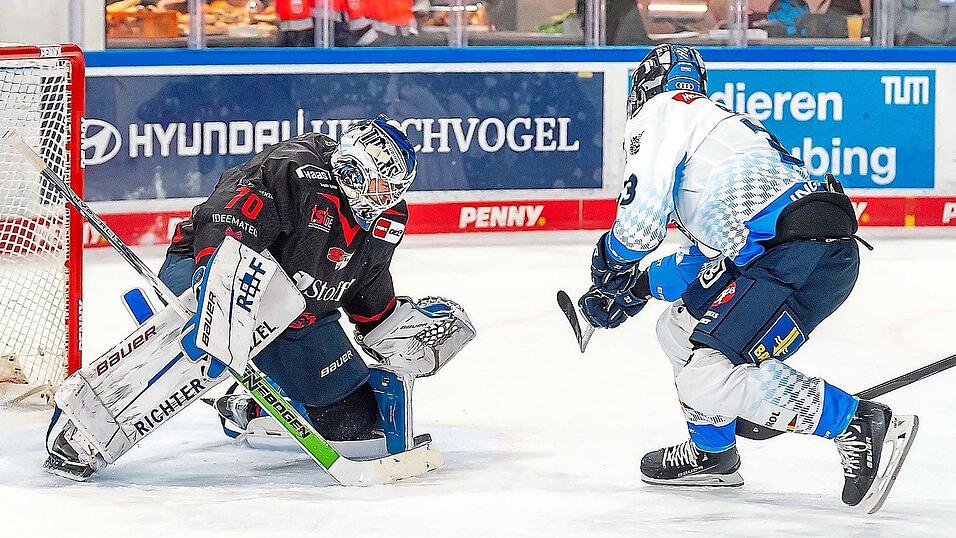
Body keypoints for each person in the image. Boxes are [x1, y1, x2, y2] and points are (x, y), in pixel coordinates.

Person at [577, 44, 918, 513]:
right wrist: (637, 288)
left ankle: (856, 423)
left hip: (792, 257)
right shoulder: (717, 131)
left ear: (646, 87)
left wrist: (610, 264)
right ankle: (713, 454)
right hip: (812, 254)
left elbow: (640, 227)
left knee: (705, 378)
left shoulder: (662, 112)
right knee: (677, 328)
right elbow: (706, 262)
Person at [44, 115, 474, 481]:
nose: (378, 193)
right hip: (211, 270)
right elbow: (228, 218)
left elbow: (365, 279)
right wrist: (219, 298)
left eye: (386, 185)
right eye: (372, 178)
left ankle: (249, 408)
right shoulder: (295, 168)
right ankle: (83, 429)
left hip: (296, 317)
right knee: (197, 347)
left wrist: (392, 323)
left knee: (352, 423)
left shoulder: (387, 218)